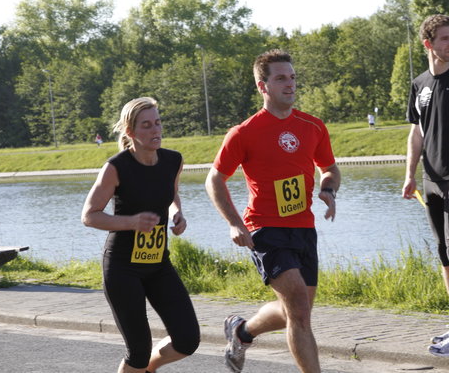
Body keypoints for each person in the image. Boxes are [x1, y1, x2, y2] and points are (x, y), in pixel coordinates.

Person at [205, 49, 341, 373]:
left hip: (304, 228)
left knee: (298, 309)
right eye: (281, 78)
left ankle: (242, 332)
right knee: (297, 307)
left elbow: (331, 168)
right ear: (262, 86)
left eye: (292, 77)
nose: (290, 84)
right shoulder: (244, 132)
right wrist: (235, 224)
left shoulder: (313, 126)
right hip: (265, 229)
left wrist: (328, 189)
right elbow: (214, 180)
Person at [81, 97, 200, 373]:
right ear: (130, 132)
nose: (155, 130)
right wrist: (132, 222)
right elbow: (89, 215)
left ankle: (149, 369)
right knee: (138, 351)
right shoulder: (116, 167)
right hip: (123, 268)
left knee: (188, 339)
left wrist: (176, 214)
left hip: (158, 264)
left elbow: (171, 195)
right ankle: (141, 366)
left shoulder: (173, 160)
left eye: (157, 123)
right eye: (146, 125)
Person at [402, 14, 449, 357]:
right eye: (445, 38)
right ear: (428, 44)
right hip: (431, 183)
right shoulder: (419, 84)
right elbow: (416, 132)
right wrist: (409, 175)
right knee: (444, 254)